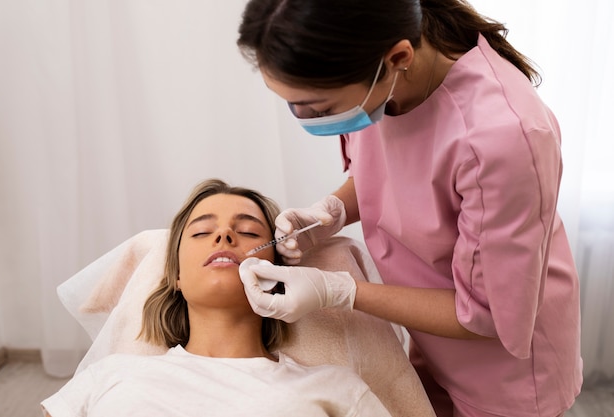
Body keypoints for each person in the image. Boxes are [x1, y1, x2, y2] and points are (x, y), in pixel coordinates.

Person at [236, 1, 582, 416]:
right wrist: (332, 212)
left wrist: (341, 292)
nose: (306, 120)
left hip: (504, 368)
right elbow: (386, 175)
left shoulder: (504, 138)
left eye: (321, 109)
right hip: (428, 335)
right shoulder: (383, 89)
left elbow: (487, 313)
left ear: (397, 58)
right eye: (292, 105)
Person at [41, 179, 391, 417]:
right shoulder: (110, 374)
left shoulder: (337, 387)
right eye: (202, 232)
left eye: (249, 231)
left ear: (278, 271)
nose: (223, 234)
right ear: (175, 277)